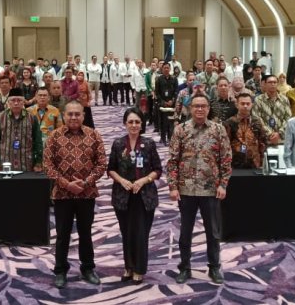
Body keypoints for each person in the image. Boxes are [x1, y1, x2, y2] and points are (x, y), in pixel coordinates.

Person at [167, 94, 232, 285]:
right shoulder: (180, 130)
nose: (200, 110)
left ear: (208, 109)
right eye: (196, 106)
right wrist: (172, 186)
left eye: (203, 106)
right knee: (185, 232)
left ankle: (214, 267)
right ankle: (185, 268)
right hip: (186, 189)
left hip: (211, 190)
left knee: (213, 232)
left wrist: (223, 184)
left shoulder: (218, 130)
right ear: (190, 108)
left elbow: (226, 159)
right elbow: (172, 161)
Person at [44, 101, 107, 289]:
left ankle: (87, 268)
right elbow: (48, 165)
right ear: (64, 115)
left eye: (77, 114)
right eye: (70, 114)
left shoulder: (93, 135)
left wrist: (85, 183)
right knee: (62, 235)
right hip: (62, 195)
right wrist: (67, 184)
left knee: (85, 233)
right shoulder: (54, 137)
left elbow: (102, 163)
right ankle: (60, 270)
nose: (73, 117)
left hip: (87, 194)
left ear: (83, 115)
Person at [108, 108, 162, 284]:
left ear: (142, 124)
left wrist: (144, 180)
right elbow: (110, 169)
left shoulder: (149, 143)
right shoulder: (117, 144)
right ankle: (128, 266)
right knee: (126, 233)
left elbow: (158, 170)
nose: (133, 125)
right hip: (122, 196)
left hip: (144, 196)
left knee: (140, 233)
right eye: (130, 122)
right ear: (125, 123)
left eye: (137, 122)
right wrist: (122, 180)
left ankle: (139, 268)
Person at [0, 88, 43, 172]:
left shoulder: (32, 118)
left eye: (19, 100)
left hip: (27, 164)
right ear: (8, 102)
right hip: (5, 163)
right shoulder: (0, 118)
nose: (16, 103)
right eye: (13, 100)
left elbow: (38, 141)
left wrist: (38, 163)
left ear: (23, 102)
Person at [224, 93, 267, 168]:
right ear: (237, 105)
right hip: (234, 164)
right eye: (242, 103)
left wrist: (262, 161)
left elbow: (262, 142)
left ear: (252, 105)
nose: (245, 106)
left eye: (248, 104)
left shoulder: (257, 121)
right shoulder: (229, 123)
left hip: (255, 163)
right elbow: (225, 146)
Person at [254, 74, 291, 146]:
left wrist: (279, 133)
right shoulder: (258, 99)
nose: (273, 84)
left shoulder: (284, 99)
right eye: (270, 82)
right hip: (264, 139)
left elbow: (288, 118)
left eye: (275, 82)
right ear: (265, 84)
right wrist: (270, 133)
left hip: (281, 139)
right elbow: (256, 118)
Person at [155, 63, 178, 144]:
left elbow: (176, 91)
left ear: (170, 69)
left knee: (170, 122)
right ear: (162, 69)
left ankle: (170, 137)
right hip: (162, 104)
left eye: (168, 68)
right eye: (164, 68)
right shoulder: (158, 79)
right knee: (162, 121)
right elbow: (157, 93)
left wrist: (172, 100)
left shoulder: (174, 79)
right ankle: (162, 138)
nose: (166, 69)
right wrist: (163, 102)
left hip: (172, 103)